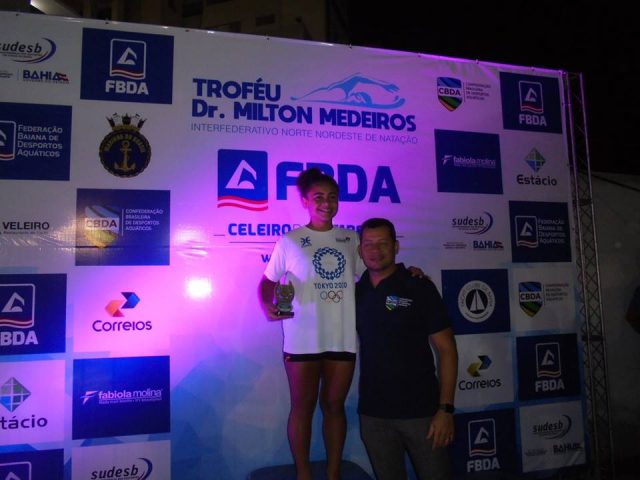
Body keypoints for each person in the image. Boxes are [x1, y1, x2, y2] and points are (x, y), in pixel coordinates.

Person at [258, 168, 359, 480]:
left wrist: (408, 273)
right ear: (305, 201)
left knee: (334, 406)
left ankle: (333, 473)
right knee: (302, 407)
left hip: (342, 337)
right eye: (319, 197)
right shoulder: (290, 240)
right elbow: (267, 283)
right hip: (302, 340)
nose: (326, 204)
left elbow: (375, 273)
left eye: (332, 197)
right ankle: (304, 474)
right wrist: (268, 305)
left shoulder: (351, 239)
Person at [356, 218, 458, 480]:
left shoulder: (418, 286)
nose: (375, 250)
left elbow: (447, 349)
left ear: (396, 246)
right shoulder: (356, 292)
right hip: (373, 414)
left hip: (423, 414)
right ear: (360, 250)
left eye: (383, 243)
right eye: (368, 244)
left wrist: (445, 409)